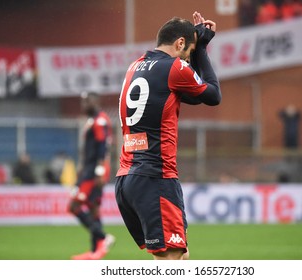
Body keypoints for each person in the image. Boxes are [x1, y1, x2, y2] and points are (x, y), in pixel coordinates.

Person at [115, 11, 221, 260]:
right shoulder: (173, 67)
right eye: (188, 52)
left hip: (127, 177)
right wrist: (202, 48)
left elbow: (192, 97)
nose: (188, 59)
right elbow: (213, 95)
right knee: (170, 261)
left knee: (179, 256)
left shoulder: (135, 66)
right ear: (180, 43)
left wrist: (195, 45)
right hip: (155, 176)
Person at [68, 91, 115, 260]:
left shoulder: (99, 121)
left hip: (93, 172)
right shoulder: (93, 121)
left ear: (96, 102)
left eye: (86, 101)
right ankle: (95, 252)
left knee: (74, 206)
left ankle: (103, 238)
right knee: (94, 209)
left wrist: (99, 172)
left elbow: (103, 149)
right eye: (82, 102)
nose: (83, 105)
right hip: (89, 171)